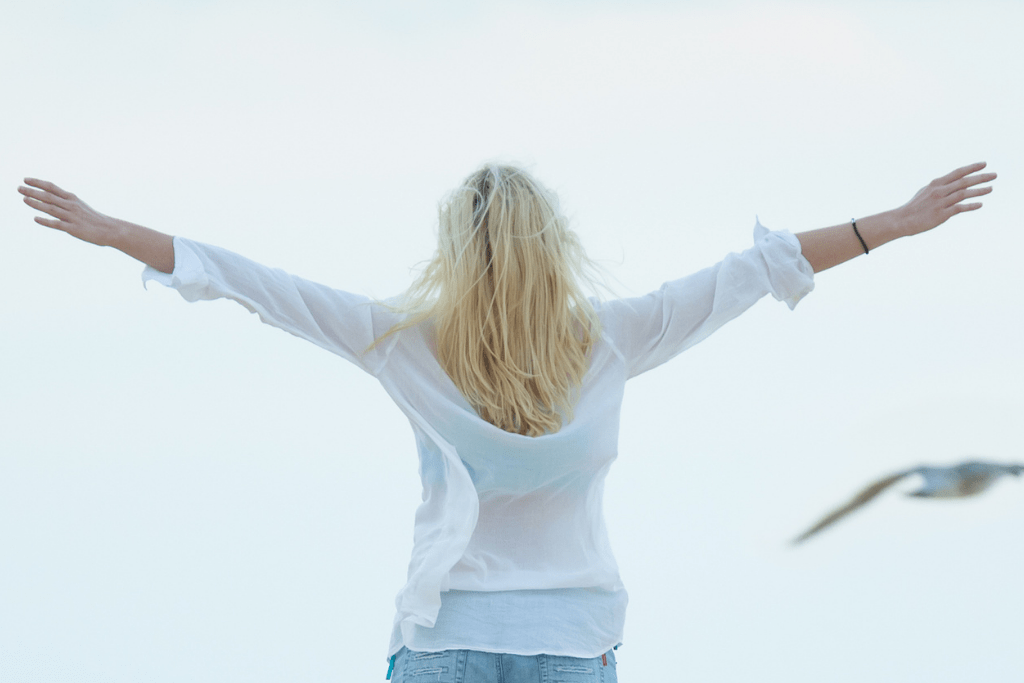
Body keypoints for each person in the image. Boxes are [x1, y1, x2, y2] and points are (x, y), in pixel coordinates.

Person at [18, 161, 995, 682]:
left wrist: (115, 231)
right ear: (554, 245)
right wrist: (894, 222)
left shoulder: (398, 338)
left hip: (444, 641)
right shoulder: (617, 336)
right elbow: (759, 272)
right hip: (572, 641)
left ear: (452, 250)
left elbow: (248, 279)